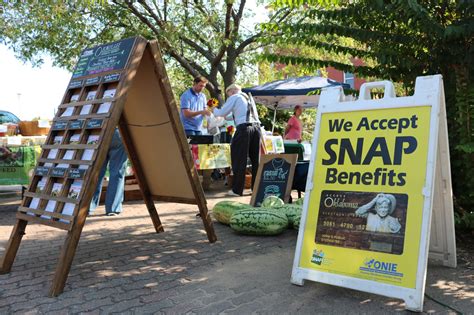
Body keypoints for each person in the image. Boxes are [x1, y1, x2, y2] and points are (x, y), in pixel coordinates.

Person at [213, 84, 261, 196]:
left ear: (232, 91)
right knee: (255, 160)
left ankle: (237, 190)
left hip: (244, 129)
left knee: (239, 158)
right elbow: (235, 114)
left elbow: (220, 113)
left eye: (228, 94)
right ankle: (256, 188)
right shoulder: (248, 97)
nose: (228, 96)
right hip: (256, 128)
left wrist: (212, 109)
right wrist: (225, 116)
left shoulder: (234, 97)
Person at [89, 129, 128, 216]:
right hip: (117, 131)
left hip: (98, 130)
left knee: (95, 172)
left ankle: (88, 207)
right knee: (117, 172)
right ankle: (113, 208)